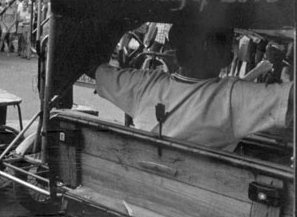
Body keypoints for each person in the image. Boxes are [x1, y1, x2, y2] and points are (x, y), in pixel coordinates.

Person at [94, 25, 294, 151]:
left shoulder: (145, 83)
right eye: (227, 41)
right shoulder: (232, 96)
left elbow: (97, 70)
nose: (232, 51)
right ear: (209, 47)